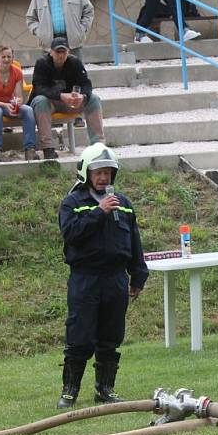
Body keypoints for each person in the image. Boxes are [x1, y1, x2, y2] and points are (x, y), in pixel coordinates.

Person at [57, 143, 148, 409]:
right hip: (85, 278)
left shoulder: (125, 205)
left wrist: (138, 276)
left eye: (108, 172)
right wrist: (100, 212)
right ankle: (69, 391)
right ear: (86, 173)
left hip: (115, 280)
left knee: (111, 336)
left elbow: (134, 243)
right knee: (80, 336)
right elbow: (71, 234)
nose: (103, 177)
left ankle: (105, 389)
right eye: (97, 172)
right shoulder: (72, 203)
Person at [29, 37, 105, 160]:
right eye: (57, 52)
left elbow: (86, 84)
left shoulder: (75, 62)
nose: (60, 55)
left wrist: (82, 95)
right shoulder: (42, 63)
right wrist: (60, 96)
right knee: (40, 101)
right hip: (51, 102)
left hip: (72, 102)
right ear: (51, 52)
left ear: (68, 52)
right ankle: (48, 148)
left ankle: (99, 146)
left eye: (63, 52)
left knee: (94, 99)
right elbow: (38, 88)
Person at [0, 45, 40, 162]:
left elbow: (19, 96)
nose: (7, 59)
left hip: (7, 103)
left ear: (13, 58)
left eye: (9, 57)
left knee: (28, 110)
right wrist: (5, 105)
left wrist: (17, 103)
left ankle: (30, 149)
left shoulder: (17, 72)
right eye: (3, 57)